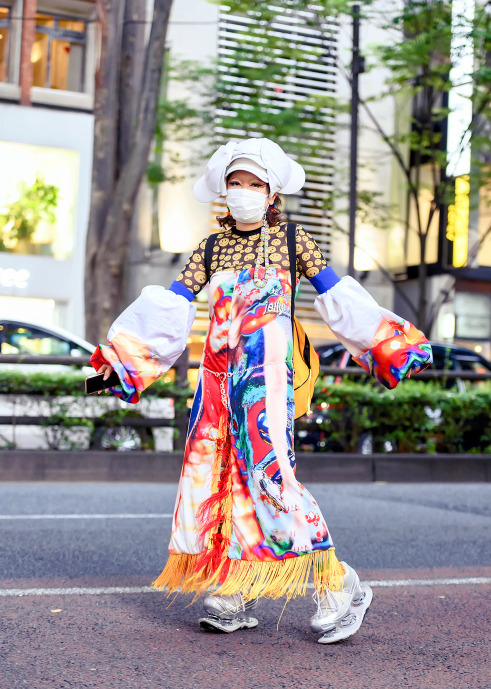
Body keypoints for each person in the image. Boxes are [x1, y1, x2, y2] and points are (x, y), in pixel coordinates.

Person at [90, 137, 432, 643]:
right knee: (217, 478)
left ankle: (340, 586)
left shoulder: (294, 240)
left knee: (273, 478)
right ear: (223, 191)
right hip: (217, 383)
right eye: (236, 183)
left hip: (268, 382)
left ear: (272, 193)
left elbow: (339, 299)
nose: (245, 192)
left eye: (255, 184)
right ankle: (233, 588)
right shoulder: (209, 248)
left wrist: (392, 347)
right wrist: (117, 365)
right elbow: (170, 311)